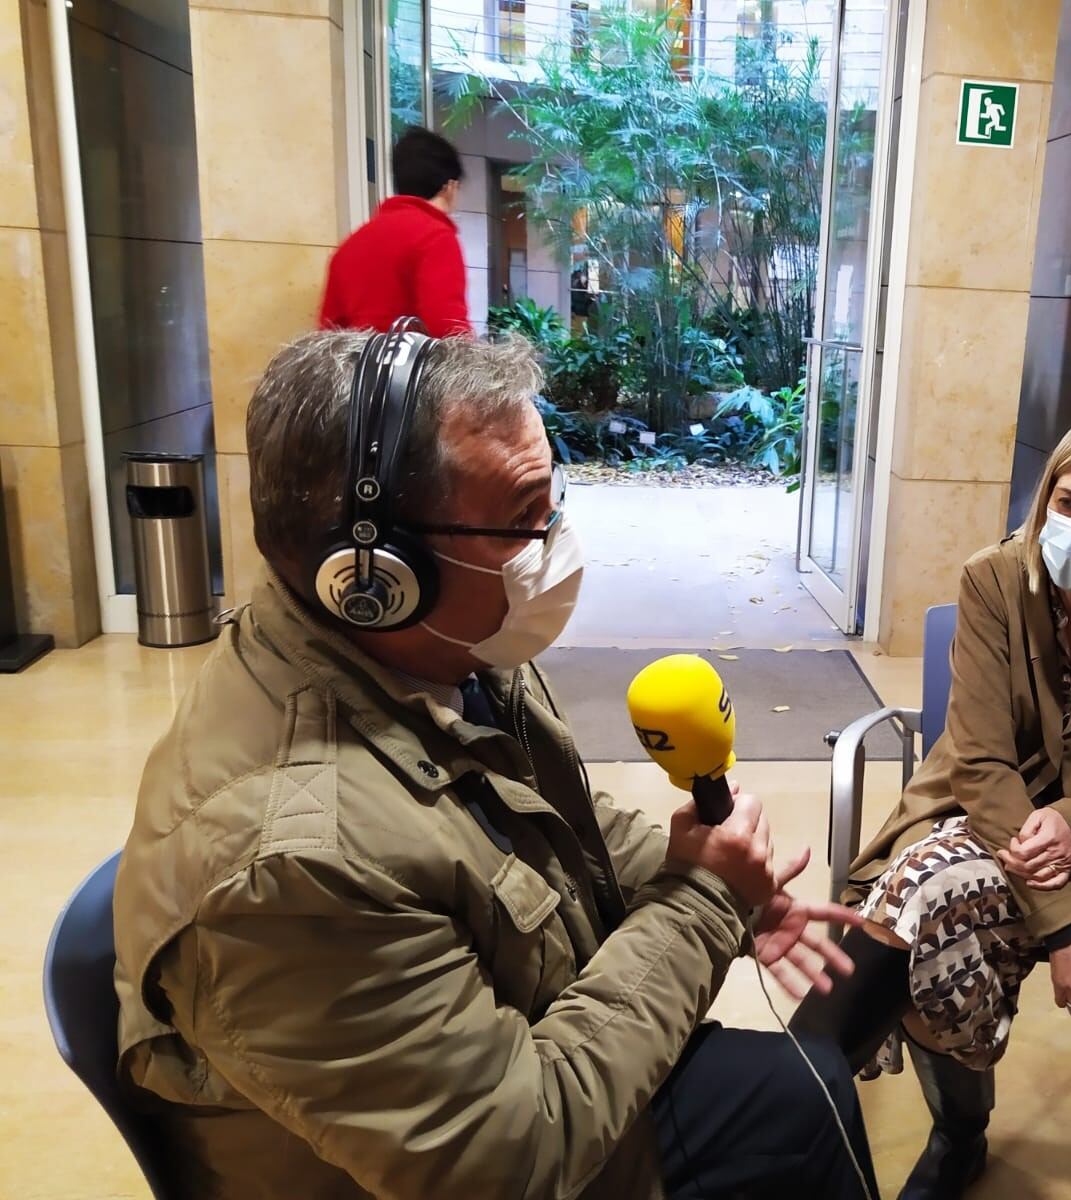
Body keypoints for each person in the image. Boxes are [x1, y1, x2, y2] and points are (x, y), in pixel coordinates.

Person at [112, 327, 879, 1199]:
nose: (555, 540)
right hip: (445, 1166)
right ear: (375, 572)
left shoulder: (436, 658)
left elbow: (541, 829)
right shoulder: (289, 865)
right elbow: (510, 1161)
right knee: (798, 1106)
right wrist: (703, 904)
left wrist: (703, 871)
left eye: (555, 503)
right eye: (524, 517)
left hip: (501, 1043)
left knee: (800, 1084)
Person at [793, 410, 1071, 1199]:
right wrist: (1064, 927)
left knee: (920, 899)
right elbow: (983, 761)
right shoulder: (996, 579)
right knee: (930, 887)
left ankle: (813, 1104)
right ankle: (829, 1109)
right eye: (1066, 502)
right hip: (978, 811)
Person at [319, 128, 471, 337]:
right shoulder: (436, 238)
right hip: (415, 368)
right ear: (450, 186)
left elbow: (326, 339)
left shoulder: (349, 247)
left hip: (359, 368)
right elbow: (449, 330)